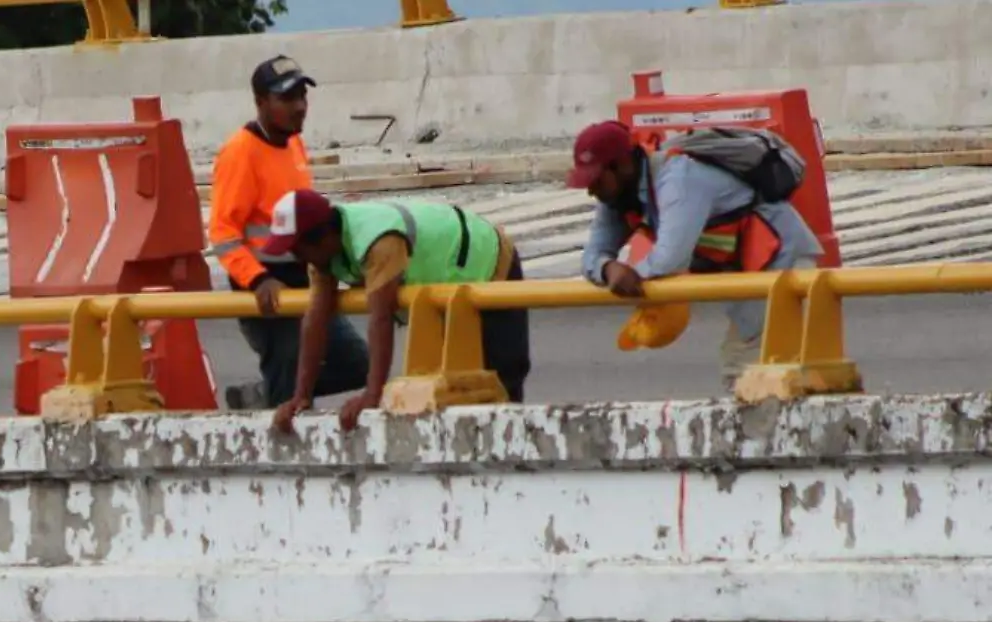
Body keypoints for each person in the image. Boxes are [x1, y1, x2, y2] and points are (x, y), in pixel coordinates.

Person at [568, 120, 824, 392]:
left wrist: (629, 275)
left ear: (621, 166)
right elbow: (592, 256)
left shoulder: (679, 179)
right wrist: (608, 268)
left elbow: (669, 260)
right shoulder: (617, 197)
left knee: (747, 370)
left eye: (595, 180)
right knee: (760, 373)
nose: (590, 190)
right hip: (751, 273)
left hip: (783, 260)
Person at [262, 190, 532, 434]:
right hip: (442, 290)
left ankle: (513, 448)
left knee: (502, 376)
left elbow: (380, 318)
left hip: (487, 262)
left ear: (323, 237)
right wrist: (301, 396)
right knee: (451, 386)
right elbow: (316, 319)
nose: (296, 259)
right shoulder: (322, 256)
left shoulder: (378, 241)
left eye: (297, 250)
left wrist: (372, 394)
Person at [207, 55, 370, 412]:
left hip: (305, 274)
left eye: (303, 97)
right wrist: (258, 279)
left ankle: (263, 395)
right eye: (287, 99)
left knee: (360, 364)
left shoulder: (294, 142)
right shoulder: (240, 153)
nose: (300, 107)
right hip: (268, 283)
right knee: (290, 385)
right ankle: (281, 408)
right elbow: (222, 232)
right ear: (261, 102)